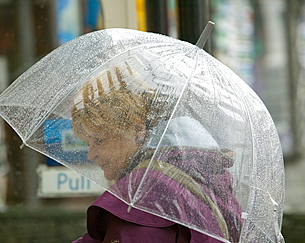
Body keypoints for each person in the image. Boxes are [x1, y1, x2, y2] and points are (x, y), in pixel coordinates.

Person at [71, 62, 243, 243]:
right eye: (88, 143)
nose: (91, 154)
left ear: (137, 130)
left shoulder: (144, 194)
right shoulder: (194, 173)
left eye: (99, 140)